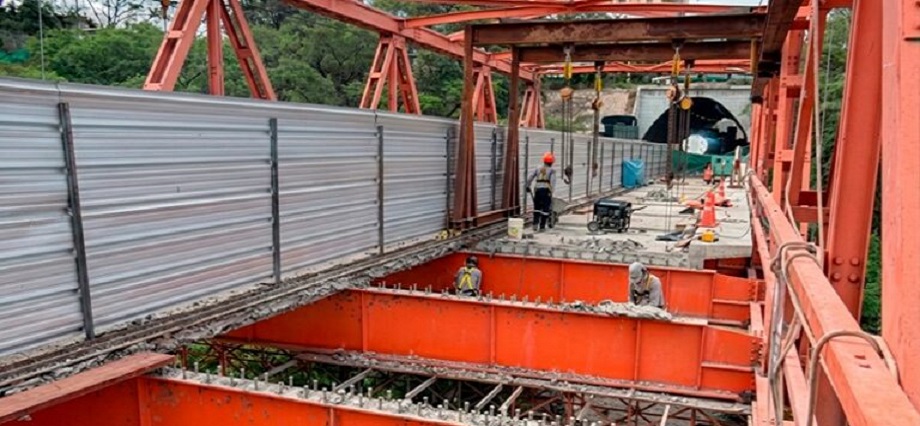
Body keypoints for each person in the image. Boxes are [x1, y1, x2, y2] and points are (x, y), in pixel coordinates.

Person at [526, 152, 557, 232]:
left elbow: (530, 177)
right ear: (551, 162)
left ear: (544, 160)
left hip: (537, 189)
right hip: (546, 190)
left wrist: (527, 185)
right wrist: (551, 191)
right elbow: (552, 181)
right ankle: (542, 226)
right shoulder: (552, 170)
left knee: (537, 207)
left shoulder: (538, 168)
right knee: (545, 208)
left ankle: (535, 224)